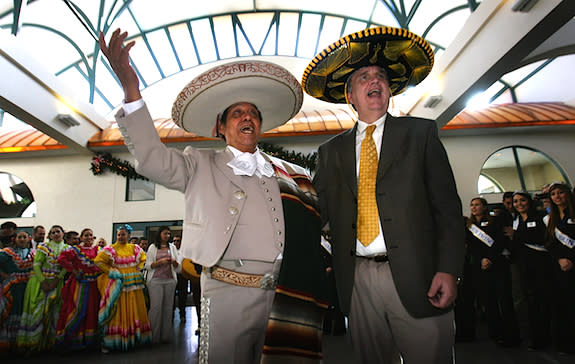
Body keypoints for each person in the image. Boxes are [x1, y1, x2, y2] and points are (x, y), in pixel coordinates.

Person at [100, 28, 329, 364]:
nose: (247, 117)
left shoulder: (291, 173)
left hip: (284, 294)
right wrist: (131, 89)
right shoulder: (198, 164)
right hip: (225, 293)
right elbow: (150, 157)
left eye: (252, 113)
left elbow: (318, 225)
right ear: (219, 127)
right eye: (237, 113)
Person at [303, 26, 465, 363]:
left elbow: (448, 209)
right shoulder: (330, 151)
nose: (374, 81)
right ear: (350, 96)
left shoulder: (421, 134)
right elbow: (316, 211)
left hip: (420, 275)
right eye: (363, 77)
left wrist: (449, 269)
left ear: (389, 89)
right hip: (357, 280)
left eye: (380, 76)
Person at [467, 198, 520, 347]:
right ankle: (496, 334)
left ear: (484, 207)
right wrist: (481, 259)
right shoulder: (470, 226)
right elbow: (471, 246)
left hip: (497, 265)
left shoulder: (495, 222)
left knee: (504, 300)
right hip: (480, 267)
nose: (474, 207)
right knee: (488, 302)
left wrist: (489, 258)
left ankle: (511, 334)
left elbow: (499, 241)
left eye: (477, 204)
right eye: (472, 205)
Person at [94, 224, 151, 352]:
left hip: (133, 282)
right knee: (118, 309)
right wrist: (111, 272)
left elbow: (143, 258)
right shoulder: (110, 249)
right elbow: (98, 261)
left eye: (123, 234)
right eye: (118, 234)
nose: (120, 237)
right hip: (118, 282)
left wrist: (139, 267)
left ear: (129, 236)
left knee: (134, 307)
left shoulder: (134, 248)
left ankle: (133, 337)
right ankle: (116, 339)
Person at [509, 191, 553, 351]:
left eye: (522, 200)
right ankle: (536, 336)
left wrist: (518, 235)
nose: (519, 204)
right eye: (515, 201)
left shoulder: (540, 217)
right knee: (529, 301)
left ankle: (547, 336)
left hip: (540, 264)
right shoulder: (516, 220)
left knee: (543, 299)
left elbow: (543, 238)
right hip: (523, 265)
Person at [17, 225, 69, 352]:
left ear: (63, 233)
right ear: (49, 236)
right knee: (37, 312)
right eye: (53, 232)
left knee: (54, 312)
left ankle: (50, 344)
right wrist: (44, 282)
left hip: (57, 283)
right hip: (39, 283)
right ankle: (33, 344)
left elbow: (66, 267)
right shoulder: (43, 247)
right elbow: (36, 265)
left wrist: (56, 280)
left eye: (58, 232)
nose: (56, 234)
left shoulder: (68, 249)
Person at [55, 228, 101, 351]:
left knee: (92, 310)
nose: (89, 237)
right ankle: (73, 338)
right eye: (86, 235)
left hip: (94, 285)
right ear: (81, 238)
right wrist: (73, 270)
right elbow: (61, 259)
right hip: (80, 284)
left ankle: (89, 340)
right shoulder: (75, 250)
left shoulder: (98, 250)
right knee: (78, 309)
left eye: (91, 235)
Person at [546, 182, 575, 354]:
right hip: (558, 267)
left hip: (572, 264)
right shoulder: (551, 218)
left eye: (560, 193)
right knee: (563, 306)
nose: (557, 196)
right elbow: (549, 243)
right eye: (554, 194)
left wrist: (571, 259)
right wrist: (560, 259)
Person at [144, 226, 179, 344]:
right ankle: (153, 336)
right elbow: (147, 265)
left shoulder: (172, 247)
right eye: (165, 233)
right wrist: (159, 262)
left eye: (169, 234)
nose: (167, 236)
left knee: (168, 308)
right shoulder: (152, 247)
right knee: (156, 308)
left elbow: (178, 268)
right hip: (155, 280)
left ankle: (165, 336)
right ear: (160, 234)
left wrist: (174, 263)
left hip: (170, 280)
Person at [0, 231, 33, 352]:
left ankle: (24, 341)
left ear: (29, 239)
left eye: (25, 237)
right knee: (12, 311)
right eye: (20, 237)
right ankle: (10, 342)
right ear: (15, 239)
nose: (22, 239)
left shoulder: (33, 253)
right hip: (12, 287)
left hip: (28, 287)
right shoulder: (7, 253)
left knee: (25, 311)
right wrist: (4, 274)